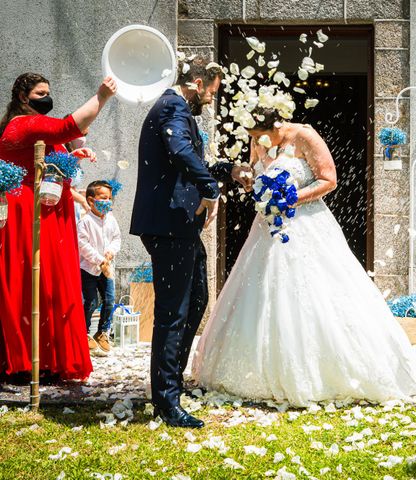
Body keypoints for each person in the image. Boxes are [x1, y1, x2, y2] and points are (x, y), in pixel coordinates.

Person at [192, 107, 416, 406]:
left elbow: (328, 180)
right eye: (253, 138)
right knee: (262, 295)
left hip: (306, 225)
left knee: (317, 293)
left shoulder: (305, 136)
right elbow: (253, 170)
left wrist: (292, 197)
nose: (257, 142)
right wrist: (251, 181)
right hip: (266, 230)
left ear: (276, 126)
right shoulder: (257, 140)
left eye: (261, 136)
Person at [130, 57, 251, 428]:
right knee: (173, 312)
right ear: (198, 83)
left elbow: (190, 157)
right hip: (168, 225)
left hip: (180, 226)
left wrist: (227, 170)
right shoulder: (172, 106)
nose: (211, 100)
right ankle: (167, 402)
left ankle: (172, 384)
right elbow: (180, 153)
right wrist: (210, 188)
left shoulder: (178, 111)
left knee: (197, 298)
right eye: (211, 92)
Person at [0, 73, 116, 382]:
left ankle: (45, 357)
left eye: (48, 92)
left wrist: (70, 155)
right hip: (32, 220)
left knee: (48, 286)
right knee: (34, 285)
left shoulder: (29, 127)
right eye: (40, 93)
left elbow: (42, 161)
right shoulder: (24, 123)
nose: (46, 98)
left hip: (49, 217)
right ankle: (30, 359)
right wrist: (101, 96)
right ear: (24, 98)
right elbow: (68, 126)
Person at [77, 180, 121, 355]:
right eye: (103, 198)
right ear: (90, 200)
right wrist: (99, 259)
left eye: (109, 198)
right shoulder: (85, 221)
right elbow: (82, 244)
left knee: (110, 300)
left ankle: (103, 332)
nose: (107, 201)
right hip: (88, 268)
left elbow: (116, 238)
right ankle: (84, 332)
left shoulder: (111, 219)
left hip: (107, 268)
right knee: (91, 302)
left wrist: (110, 252)